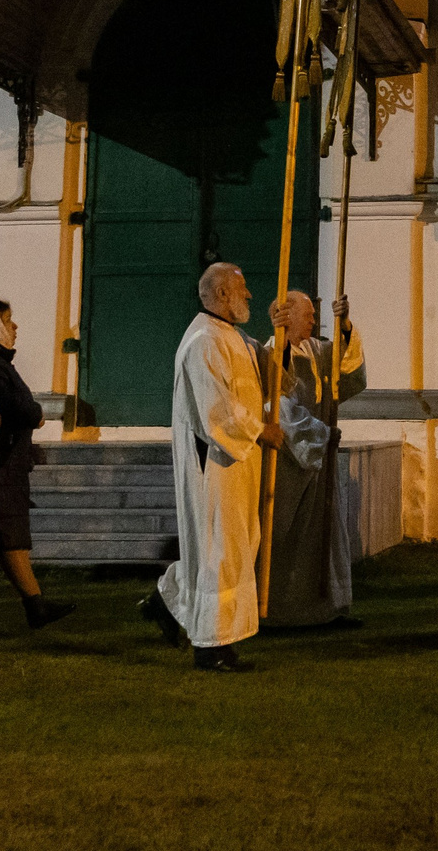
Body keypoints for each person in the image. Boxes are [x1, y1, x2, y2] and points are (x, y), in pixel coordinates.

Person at [145, 262, 285, 673]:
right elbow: (215, 409)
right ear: (221, 294)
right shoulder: (204, 340)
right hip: (217, 463)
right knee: (218, 551)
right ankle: (212, 646)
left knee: (229, 547)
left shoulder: (232, 337)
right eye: (242, 289)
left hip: (235, 464)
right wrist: (259, 430)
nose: (250, 296)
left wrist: (280, 334)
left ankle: (168, 603)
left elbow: (270, 372)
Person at [263, 288, 366, 630]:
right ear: (286, 316)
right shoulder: (272, 355)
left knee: (325, 535)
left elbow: (348, 373)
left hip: (319, 462)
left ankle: (326, 609)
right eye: (307, 315)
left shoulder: (317, 350)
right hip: (292, 464)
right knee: (289, 534)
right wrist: (320, 435)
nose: (313, 321)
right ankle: (283, 611)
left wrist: (345, 325)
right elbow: (278, 408)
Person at [0, 298, 73, 630]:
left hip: (7, 463)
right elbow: (11, 405)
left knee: (9, 538)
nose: (15, 328)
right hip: (0, 464)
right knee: (8, 536)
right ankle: (33, 606)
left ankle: (34, 605)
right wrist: (35, 414)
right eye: (9, 321)